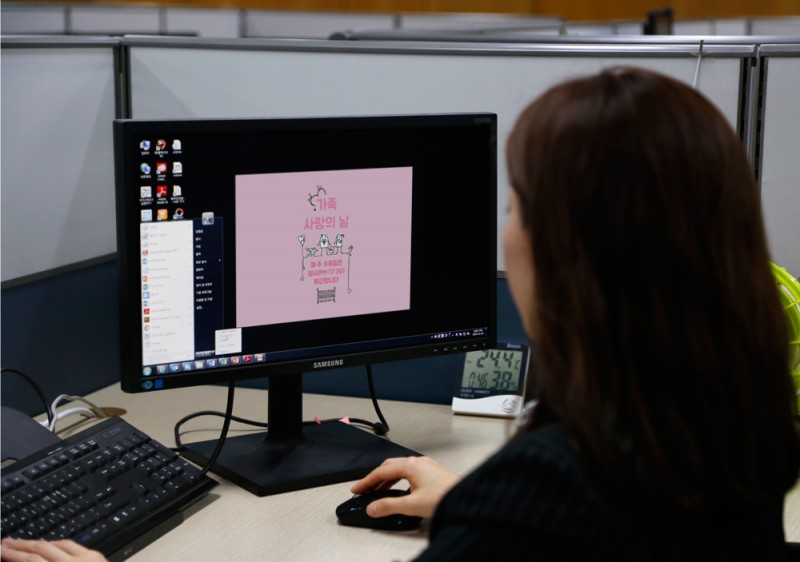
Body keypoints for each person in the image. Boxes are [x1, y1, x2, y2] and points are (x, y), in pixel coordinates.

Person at [2, 66, 798, 561]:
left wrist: (501, 512)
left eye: (517, 203)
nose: (504, 230)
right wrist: (475, 507)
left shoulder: (562, 487)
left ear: (571, 253)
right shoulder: (739, 436)